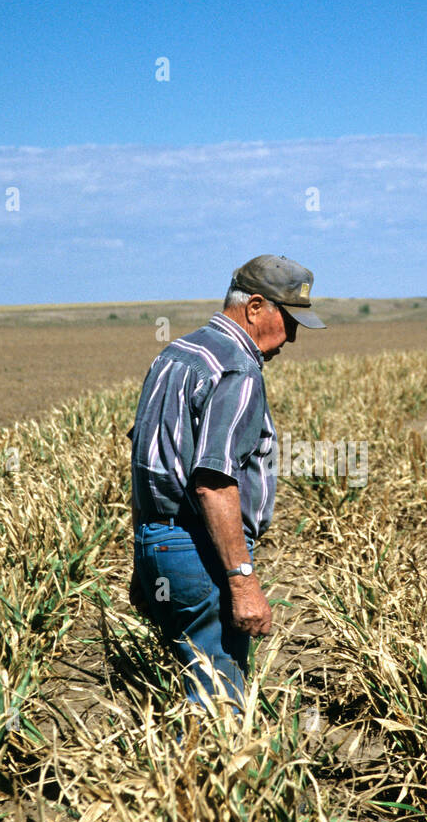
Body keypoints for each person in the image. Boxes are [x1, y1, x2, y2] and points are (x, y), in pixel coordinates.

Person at [128, 255, 326, 713]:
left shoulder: (177, 354)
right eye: (289, 320)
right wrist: (242, 582)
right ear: (255, 306)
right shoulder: (237, 368)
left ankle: (175, 778)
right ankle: (204, 784)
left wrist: (144, 557)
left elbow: (146, 463)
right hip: (199, 553)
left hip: (159, 546)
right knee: (220, 706)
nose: (292, 337)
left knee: (192, 690)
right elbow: (214, 482)